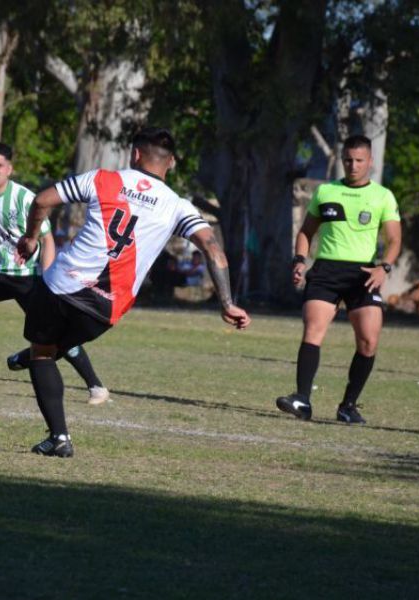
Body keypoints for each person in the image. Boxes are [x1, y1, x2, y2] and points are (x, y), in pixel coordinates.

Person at [14, 127, 250, 457]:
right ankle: (32, 365)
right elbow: (214, 250)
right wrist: (226, 302)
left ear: (135, 154)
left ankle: (59, 436)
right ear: (172, 163)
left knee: (42, 354)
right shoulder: (177, 206)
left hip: (61, 286)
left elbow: (41, 200)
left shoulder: (102, 178)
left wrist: (30, 237)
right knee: (56, 345)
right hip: (107, 306)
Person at [0, 142, 108, 404]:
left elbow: (47, 241)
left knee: (54, 336)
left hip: (30, 279)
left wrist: (48, 281)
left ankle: (96, 386)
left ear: (9, 169)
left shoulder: (24, 198)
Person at [275, 134, 402, 425]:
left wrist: (385, 267)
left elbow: (394, 239)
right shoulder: (326, 192)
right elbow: (306, 232)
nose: (353, 165)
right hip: (326, 272)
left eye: (359, 160)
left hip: (364, 274)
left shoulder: (383, 196)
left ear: (370, 162)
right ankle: (302, 399)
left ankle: (348, 405)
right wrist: (299, 260)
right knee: (313, 331)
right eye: (348, 160)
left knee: (368, 342)